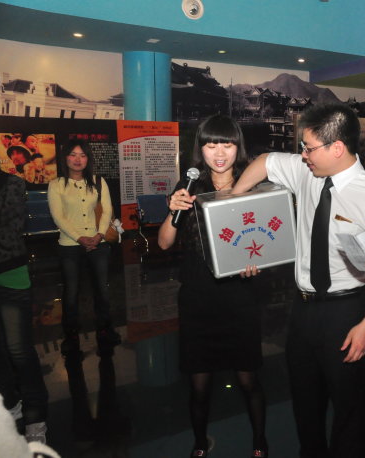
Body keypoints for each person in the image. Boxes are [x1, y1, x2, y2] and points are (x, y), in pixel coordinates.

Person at [232, 103, 365, 458]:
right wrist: (233, 199)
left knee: (349, 409)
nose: (303, 155)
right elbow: (265, 162)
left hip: (348, 312)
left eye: (308, 148)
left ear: (337, 147)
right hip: (302, 310)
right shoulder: (307, 171)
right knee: (305, 403)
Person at [158, 115, 267, 458]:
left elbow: (266, 239)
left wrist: (258, 262)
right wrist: (172, 210)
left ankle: (260, 441)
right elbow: (164, 243)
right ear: (200, 148)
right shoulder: (189, 185)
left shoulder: (253, 185)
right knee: (199, 384)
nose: (219, 153)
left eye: (227, 144)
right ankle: (199, 443)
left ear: (238, 147)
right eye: (211, 144)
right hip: (197, 297)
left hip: (240, 296)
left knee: (248, 379)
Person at [47, 140, 121, 357]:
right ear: (65, 158)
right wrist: (80, 238)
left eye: (82, 155)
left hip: (99, 244)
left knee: (102, 290)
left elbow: (107, 210)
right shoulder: (56, 185)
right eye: (73, 154)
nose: (78, 159)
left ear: (88, 159)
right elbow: (58, 217)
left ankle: (105, 330)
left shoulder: (98, 181)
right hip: (70, 245)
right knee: (71, 293)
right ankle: (71, 337)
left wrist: (99, 235)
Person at [0, 168, 49, 444]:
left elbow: (10, 232)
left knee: (19, 350)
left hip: (10, 273)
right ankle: (10, 403)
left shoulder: (13, 183)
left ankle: (35, 417)